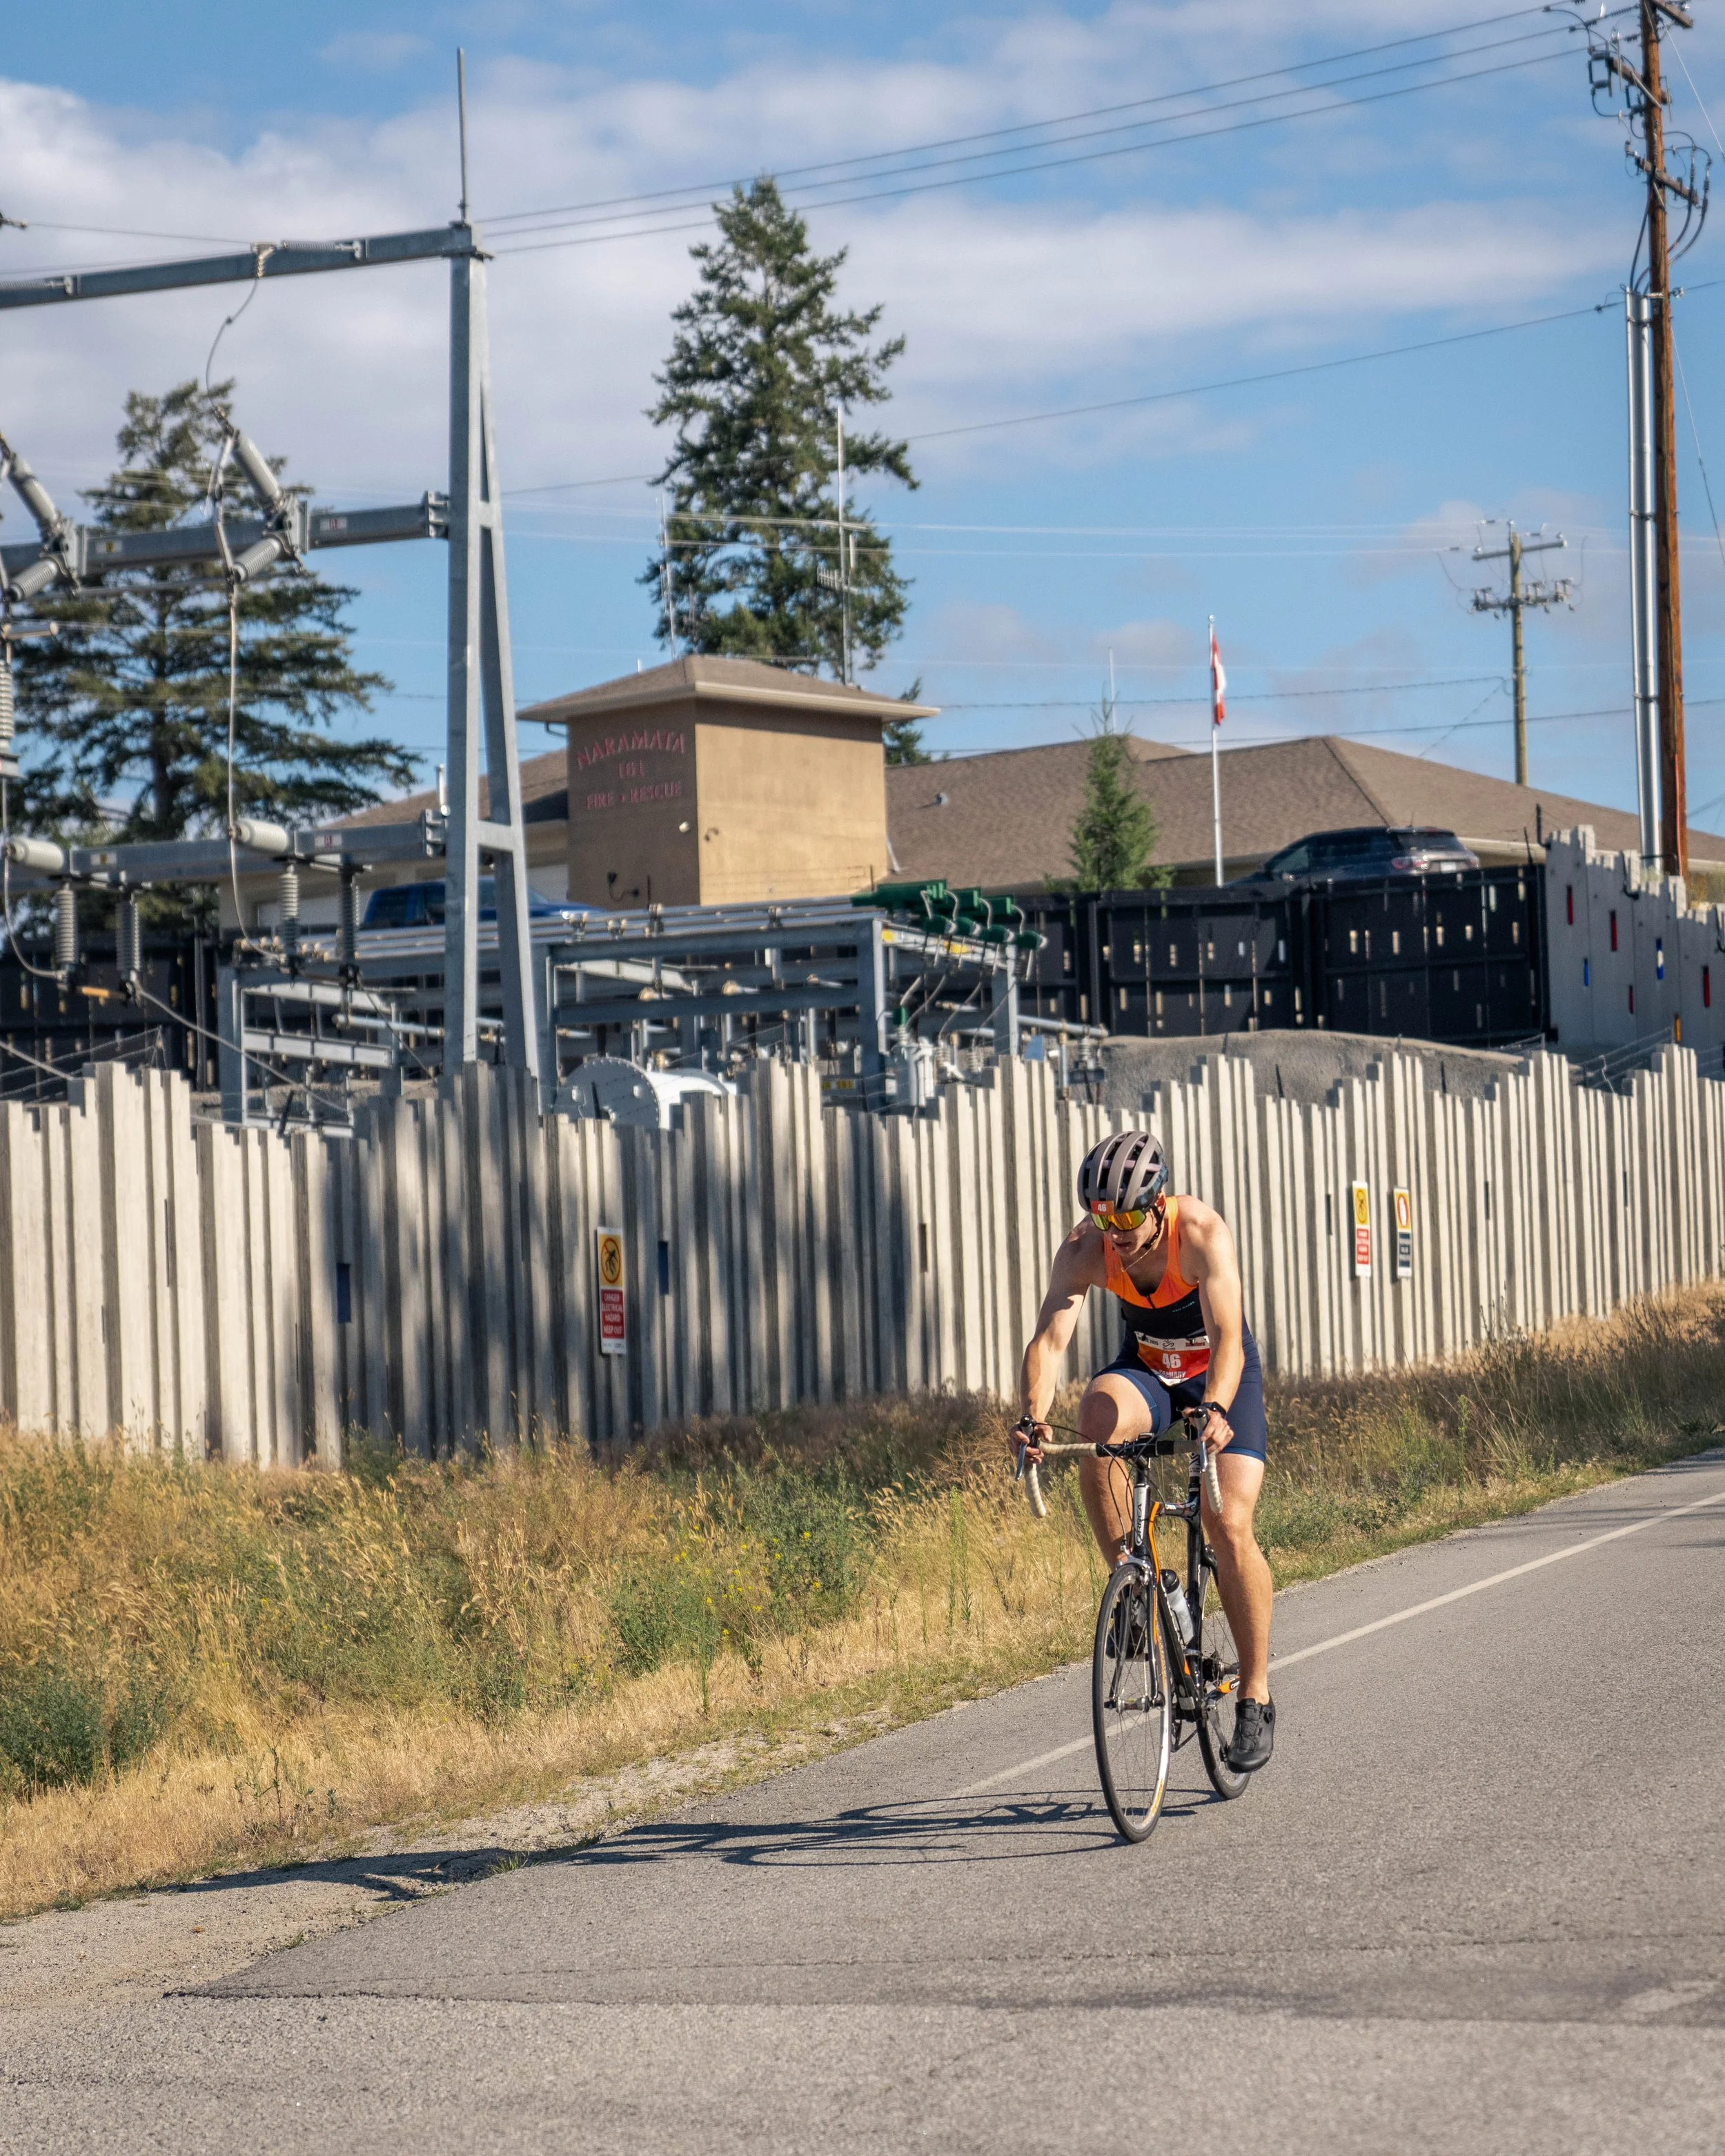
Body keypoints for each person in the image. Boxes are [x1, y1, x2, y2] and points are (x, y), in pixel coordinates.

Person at [1016, 1128, 1276, 1773]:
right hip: (1150, 1373)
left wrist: (1215, 1408)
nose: (1118, 1232)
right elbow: (1050, 1340)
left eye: (1131, 1216)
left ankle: (1255, 1696)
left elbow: (1227, 1339)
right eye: (1106, 1217)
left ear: (1160, 1204)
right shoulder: (1087, 1247)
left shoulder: (1202, 1233)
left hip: (1219, 1375)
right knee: (1096, 1421)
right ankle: (1140, 1586)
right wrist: (1032, 1415)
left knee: (1229, 1523)